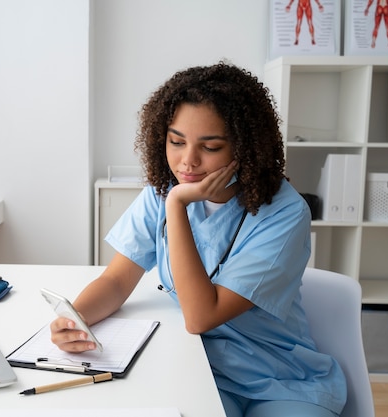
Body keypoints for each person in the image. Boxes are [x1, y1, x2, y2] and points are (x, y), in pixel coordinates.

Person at [50, 62, 347, 417]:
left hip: (279, 377)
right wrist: (76, 320)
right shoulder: (160, 193)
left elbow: (201, 316)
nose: (187, 161)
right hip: (198, 367)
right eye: (176, 142)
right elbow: (116, 280)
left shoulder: (284, 213)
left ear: (245, 148)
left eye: (210, 147)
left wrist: (177, 204)